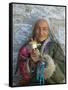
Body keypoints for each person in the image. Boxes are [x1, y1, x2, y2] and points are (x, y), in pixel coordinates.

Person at [18, 19, 65, 86]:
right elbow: (22, 73)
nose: (41, 32)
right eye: (38, 29)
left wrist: (42, 60)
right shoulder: (27, 47)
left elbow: (62, 71)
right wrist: (31, 63)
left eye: (44, 29)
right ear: (34, 30)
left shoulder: (55, 47)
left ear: (49, 31)